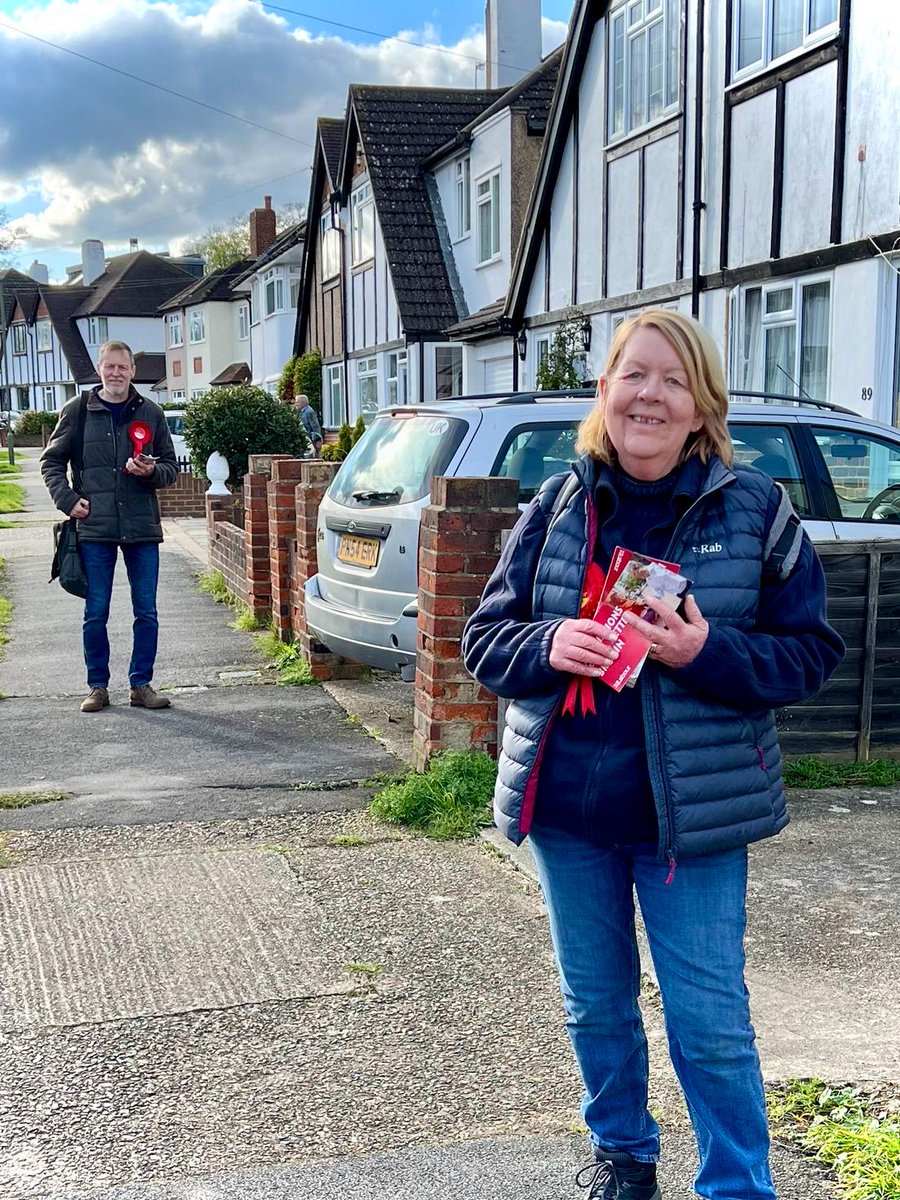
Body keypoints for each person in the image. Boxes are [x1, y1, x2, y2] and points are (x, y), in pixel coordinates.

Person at [462, 309, 844, 1200]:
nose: (651, 395)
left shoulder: (756, 512)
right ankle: (625, 1158)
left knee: (709, 1023)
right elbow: (485, 638)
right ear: (605, 392)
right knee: (595, 1006)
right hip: (570, 815)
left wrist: (699, 652)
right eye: (635, 375)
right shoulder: (555, 506)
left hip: (693, 828)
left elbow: (810, 654)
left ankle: (738, 1186)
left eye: (674, 380)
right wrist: (550, 643)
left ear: (703, 403)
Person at [41, 340, 178, 713]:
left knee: (146, 610)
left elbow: (171, 467)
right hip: (95, 527)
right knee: (96, 611)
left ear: (133, 370)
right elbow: (51, 463)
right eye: (109, 367)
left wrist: (151, 472)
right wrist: (68, 502)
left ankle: (141, 685)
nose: (116, 373)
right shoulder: (78, 411)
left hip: (141, 527)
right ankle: (97, 686)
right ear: (99, 370)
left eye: (123, 367)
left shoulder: (151, 412)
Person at [295, 392, 323, 456]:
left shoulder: (309, 412)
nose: (295, 404)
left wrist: (318, 440)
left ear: (303, 403)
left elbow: (316, 427)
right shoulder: (302, 412)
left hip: (311, 440)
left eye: (297, 402)